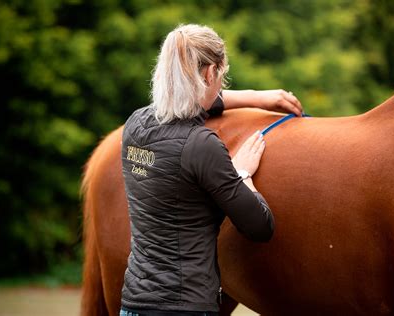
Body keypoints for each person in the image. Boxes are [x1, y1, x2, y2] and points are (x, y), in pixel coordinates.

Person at [120, 24, 303, 316]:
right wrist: (242, 174)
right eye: (221, 77)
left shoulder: (135, 125)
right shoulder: (200, 146)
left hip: (133, 305)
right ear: (209, 74)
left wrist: (257, 96)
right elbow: (260, 227)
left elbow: (187, 103)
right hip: (187, 307)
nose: (221, 86)